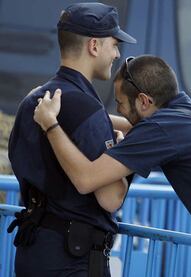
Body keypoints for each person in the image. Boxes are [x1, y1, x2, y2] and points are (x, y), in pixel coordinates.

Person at [33, 54, 191, 276]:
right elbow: (135, 125)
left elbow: (86, 179)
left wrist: (51, 125)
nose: (120, 110)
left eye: (121, 103)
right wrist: (81, 111)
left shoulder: (163, 129)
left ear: (145, 101)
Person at [8, 3, 136, 276]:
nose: (116, 53)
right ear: (94, 46)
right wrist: (122, 152)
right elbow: (111, 198)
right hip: (73, 260)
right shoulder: (87, 109)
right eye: (114, 44)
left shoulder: (33, 101)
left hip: (32, 250)